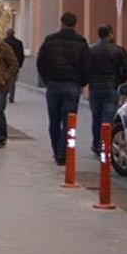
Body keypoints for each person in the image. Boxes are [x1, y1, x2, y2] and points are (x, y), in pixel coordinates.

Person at [36, 11, 90, 166]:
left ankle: (57, 151)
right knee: (69, 121)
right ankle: (63, 152)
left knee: (54, 120)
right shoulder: (81, 42)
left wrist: (47, 79)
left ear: (62, 23)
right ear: (75, 24)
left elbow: (40, 62)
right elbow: (87, 66)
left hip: (53, 84)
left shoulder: (50, 40)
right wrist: (81, 82)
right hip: (72, 85)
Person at [87, 24, 127, 155]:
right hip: (111, 88)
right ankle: (105, 146)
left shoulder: (91, 50)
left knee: (96, 118)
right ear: (110, 34)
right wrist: (118, 80)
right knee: (108, 119)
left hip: (95, 88)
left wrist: (90, 80)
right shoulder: (119, 50)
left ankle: (97, 145)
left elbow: (85, 68)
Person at [4, 28, 25, 103]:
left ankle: (4, 95)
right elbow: (21, 55)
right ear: (14, 34)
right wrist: (20, 64)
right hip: (15, 64)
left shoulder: (3, 42)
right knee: (12, 81)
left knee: (5, 80)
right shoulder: (19, 43)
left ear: (7, 33)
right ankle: (11, 97)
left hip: (4, 65)